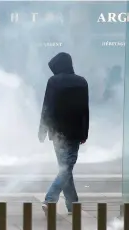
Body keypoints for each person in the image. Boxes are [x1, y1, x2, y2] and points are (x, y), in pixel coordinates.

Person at [38, 52, 89, 215]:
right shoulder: (82, 82)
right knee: (66, 169)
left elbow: (47, 106)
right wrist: (84, 133)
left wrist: (42, 130)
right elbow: (84, 111)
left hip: (57, 133)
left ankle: (70, 204)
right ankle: (51, 200)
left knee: (65, 169)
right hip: (74, 133)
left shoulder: (53, 82)